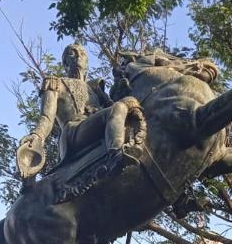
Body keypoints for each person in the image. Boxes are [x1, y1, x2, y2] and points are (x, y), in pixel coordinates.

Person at [16, 42, 144, 180]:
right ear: (65, 63)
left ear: (87, 63)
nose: (78, 56)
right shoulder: (55, 83)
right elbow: (47, 117)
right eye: (73, 53)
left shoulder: (95, 88)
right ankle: (115, 156)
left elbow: (115, 109)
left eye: (82, 54)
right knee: (119, 107)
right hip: (73, 132)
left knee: (127, 104)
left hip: (95, 126)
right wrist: (37, 136)